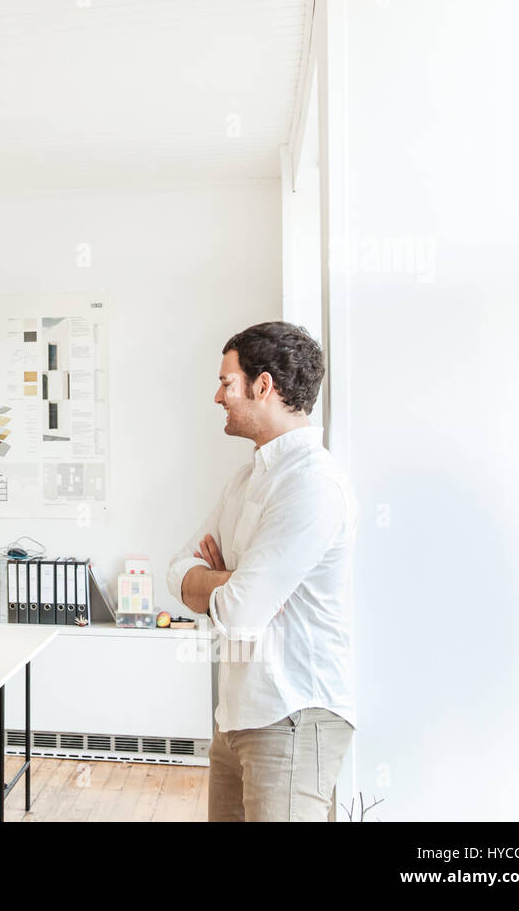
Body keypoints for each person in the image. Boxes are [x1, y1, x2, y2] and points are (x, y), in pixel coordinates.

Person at [165, 322, 357, 822]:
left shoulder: (312, 485)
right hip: (237, 718)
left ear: (263, 385)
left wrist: (229, 583)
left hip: (292, 716)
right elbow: (177, 572)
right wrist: (234, 579)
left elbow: (242, 613)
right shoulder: (247, 477)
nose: (217, 396)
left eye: (227, 383)